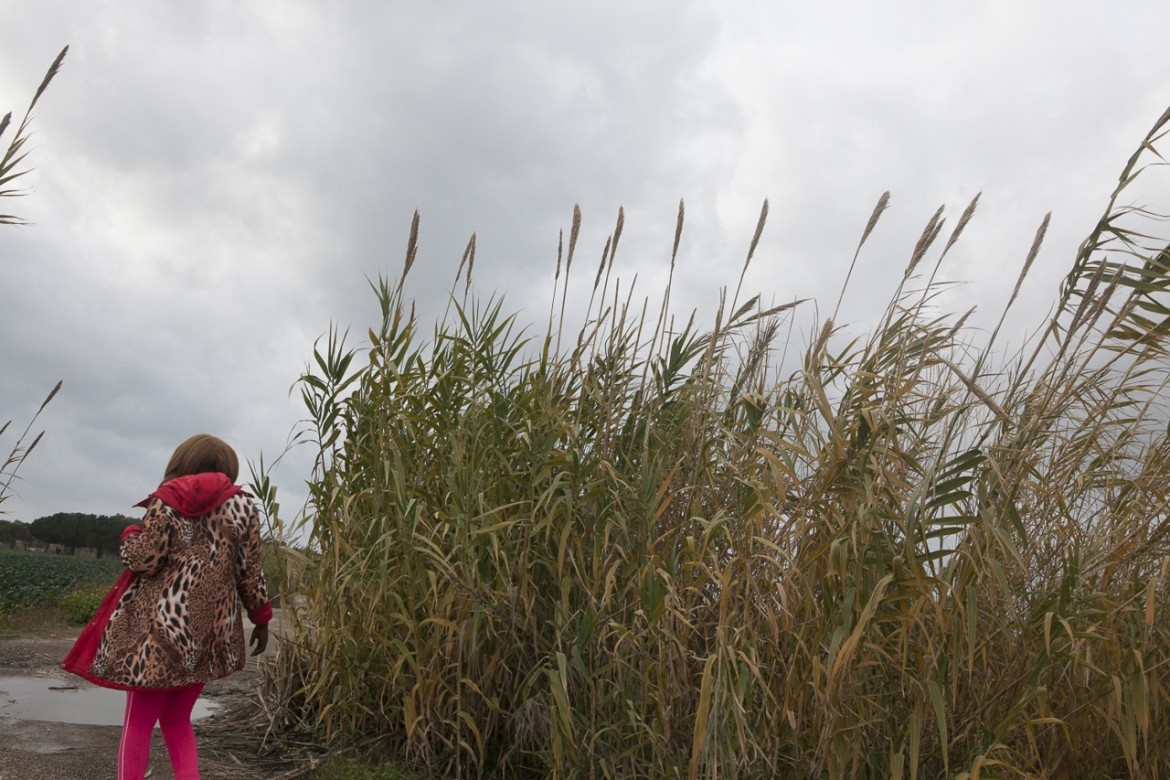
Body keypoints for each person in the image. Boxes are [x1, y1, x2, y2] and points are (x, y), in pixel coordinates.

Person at [62, 433, 273, 780]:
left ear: (184, 461)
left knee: (139, 725)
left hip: (160, 635)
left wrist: (130, 533)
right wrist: (261, 618)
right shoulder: (245, 507)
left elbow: (145, 560)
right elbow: (249, 572)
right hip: (209, 636)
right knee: (177, 722)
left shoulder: (168, 499)